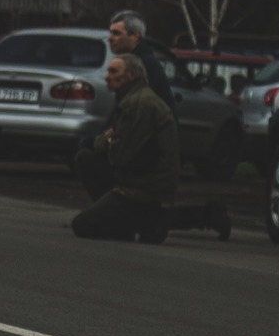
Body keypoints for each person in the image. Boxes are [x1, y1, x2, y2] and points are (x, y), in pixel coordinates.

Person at [72, 53, 231, 241]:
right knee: (85, 159)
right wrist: (105, 141)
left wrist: (106, 141)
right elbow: (112, 140)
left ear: (131, 76)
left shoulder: (138, 104)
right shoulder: (130, 99)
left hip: (146, 188)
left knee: (82, 225)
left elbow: (119, 156)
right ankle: (143, 220)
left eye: (114, 71)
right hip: (139, 178)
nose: (107, 76)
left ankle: (135, 223)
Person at [107, 9, 172, 105]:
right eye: (110, 32)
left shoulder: (145, 64)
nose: (110, 38)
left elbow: (140, 107)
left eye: (116, 33)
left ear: (135, 36)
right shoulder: (129, 61)